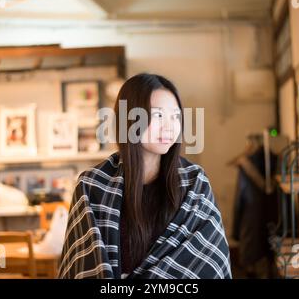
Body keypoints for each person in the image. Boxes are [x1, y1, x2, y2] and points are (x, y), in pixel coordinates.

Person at [58, 73, 232, 279]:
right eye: (158, 115)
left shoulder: (194, 183)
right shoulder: (92, 185)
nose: (169, 126)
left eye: (175, 116)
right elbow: (81, 265)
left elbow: (208, 262)